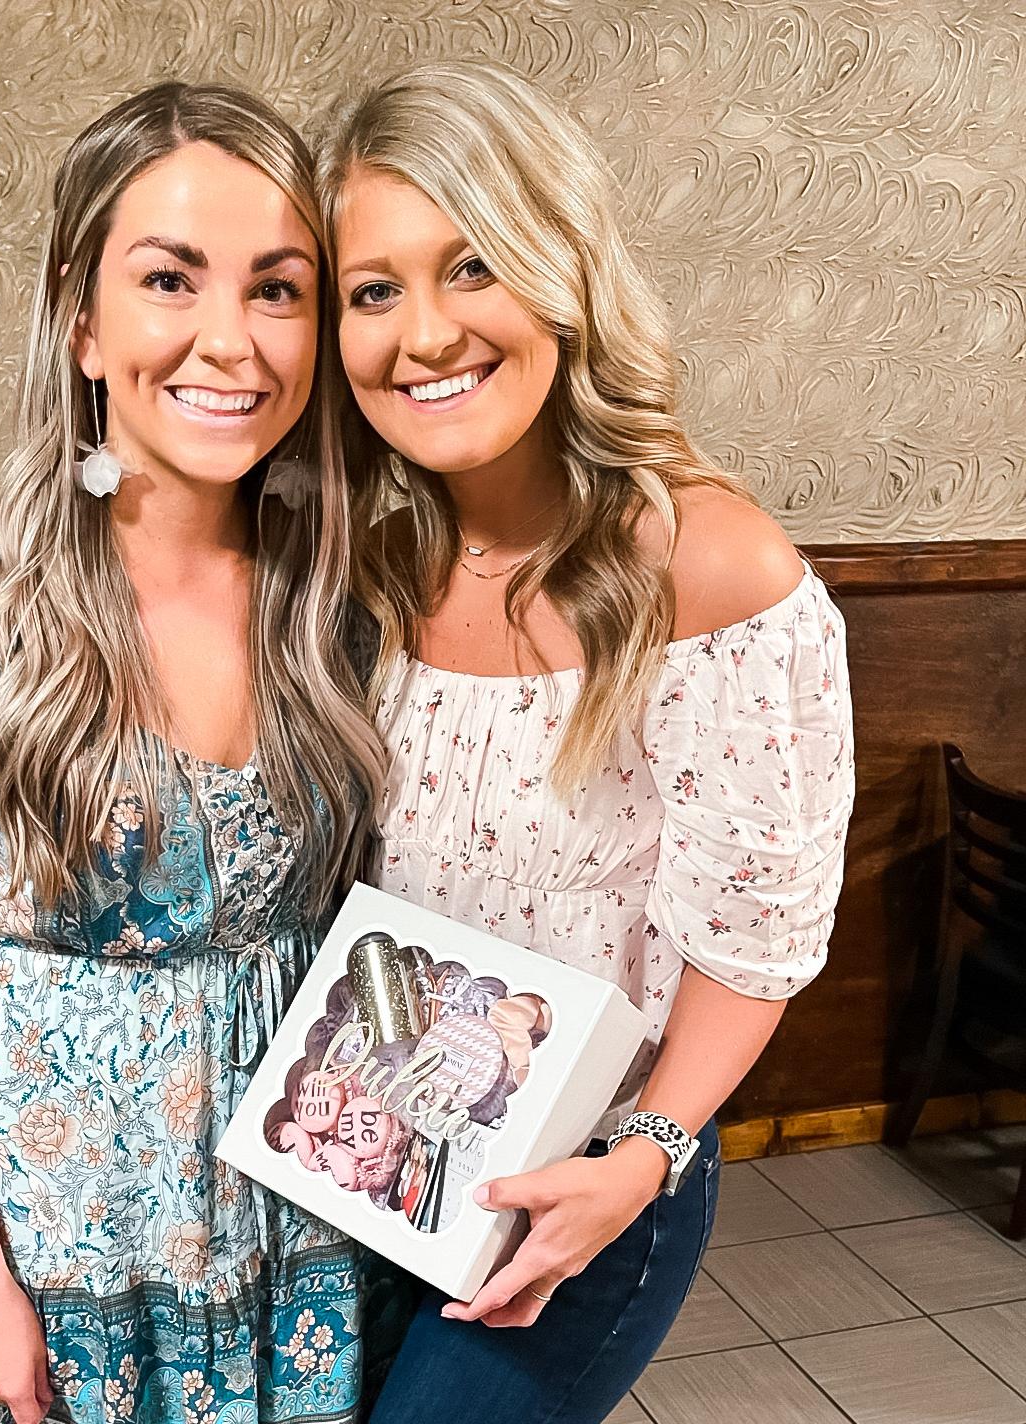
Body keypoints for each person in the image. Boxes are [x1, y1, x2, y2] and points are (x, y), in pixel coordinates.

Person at [0, 82, 385, 1424]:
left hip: (296, 1243)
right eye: (170, 279)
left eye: (278, 289)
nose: (231, 341)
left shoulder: (337, 601)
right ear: (81, 318)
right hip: (52, 1257)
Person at [318, 63, 856, 1423]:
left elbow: (755, 934)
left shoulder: (708, 563)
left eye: (474, 265)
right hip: (381, 1141)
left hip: (598, 1172)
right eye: (372, 290)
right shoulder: (372, 553)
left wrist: (643, 1160)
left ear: (563, 269)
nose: (424, 333)